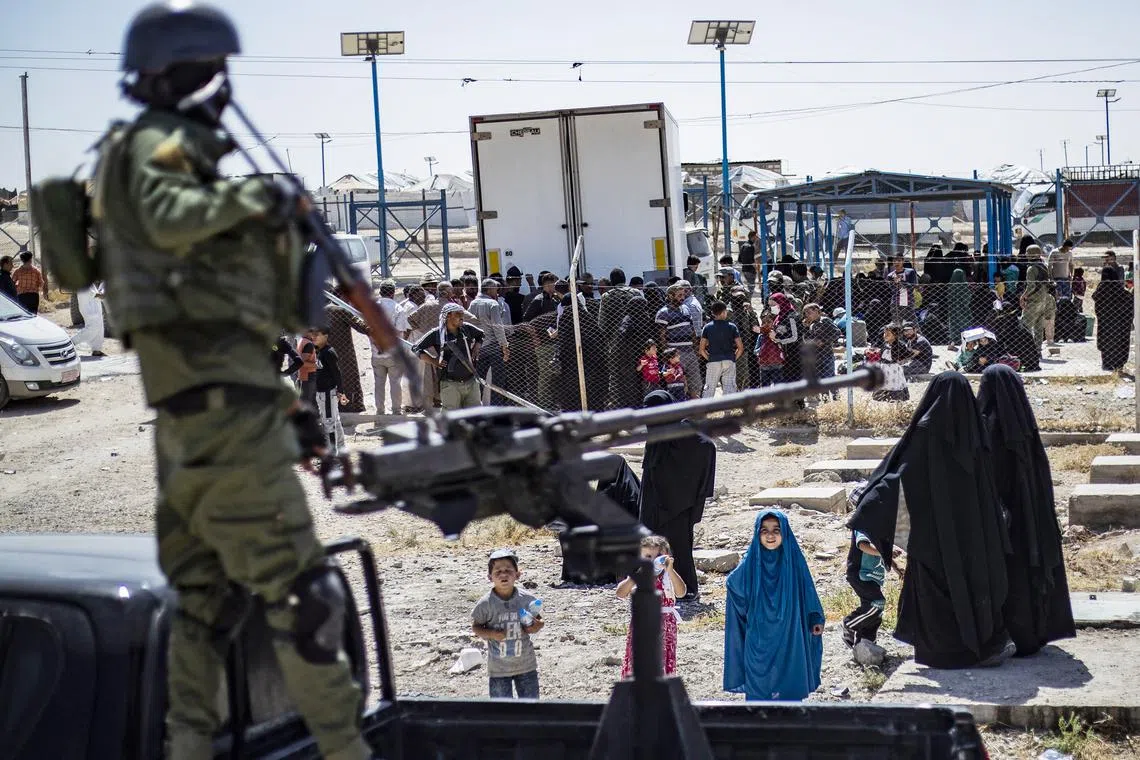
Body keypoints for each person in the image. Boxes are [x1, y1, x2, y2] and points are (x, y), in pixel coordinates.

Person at [91, 6, 369, 757]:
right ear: (190, 73)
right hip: (224, 437)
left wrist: (287, 409)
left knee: (202, 611)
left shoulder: (148, 155)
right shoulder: (156, 147)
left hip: (197, 431)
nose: (224, 87)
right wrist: (262, 197)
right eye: (216, 71)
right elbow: (170, 213)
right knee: (304, 600)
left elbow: (209, 344)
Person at [849, 373, 1014, 669]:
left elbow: (897, 476)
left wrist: (870, 510)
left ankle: (945, 654)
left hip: (934, 536)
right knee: (975, 587)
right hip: (976, 534)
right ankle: (983, 648)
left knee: (936, 590)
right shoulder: (976, 434)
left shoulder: (925, 434)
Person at [976, 365, 1076, 657]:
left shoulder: (989, 428)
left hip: (1002, 521)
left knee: (1008, 577)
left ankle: (1009, 634)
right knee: (1029, 574)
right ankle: (1033, 634)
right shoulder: (1027, 430)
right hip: (1032, 519)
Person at [724, 510, 824, 702]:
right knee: (759, 680)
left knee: (790, 676)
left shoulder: (794, 561)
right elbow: (733, 584)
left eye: (776, 530)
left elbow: (808, 590)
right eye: (764, 530)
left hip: (790, 633)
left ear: (784, 533)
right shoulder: (752, 560)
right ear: (757, 533)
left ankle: (790, 725)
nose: (770, 535)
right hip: (759, 635)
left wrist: (815, 617)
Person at [639, 390, 716, 599]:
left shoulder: (682, 430)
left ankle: (687, 589)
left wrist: (689, 487)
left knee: (680, 548)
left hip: (678, 504)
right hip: (657, 500)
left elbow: (707, 445)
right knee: (652, 544)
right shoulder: (657, 430)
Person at [471, 549, 543, 699]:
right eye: (498, 571)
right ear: (490, 577)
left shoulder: (526, 599)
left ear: (517, 574)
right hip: (498, 668)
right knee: (501, 711)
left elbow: (539, 621)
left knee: (531, 708)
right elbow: (476, 627)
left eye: (508, 570)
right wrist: (492, 634)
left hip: (526, 664)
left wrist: (535, 626)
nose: (503, 574)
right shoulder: (486, 603)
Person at [616, 535, 686, 679]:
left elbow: (681, 592)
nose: (653, 560)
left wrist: (670, 570)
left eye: (659, 555)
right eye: (648, 556)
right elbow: (620, 593)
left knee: (663, 657)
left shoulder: (668, 576)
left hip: (665, 625)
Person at [413, 302, 484, 411]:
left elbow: (481, 335)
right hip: (450, 384)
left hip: (471, 381)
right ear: (448, 316)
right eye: (458, 315)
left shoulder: (467, 329)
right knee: (451, 418)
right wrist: (433, 361)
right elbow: (416, 348)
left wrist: (477, 347)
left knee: (475, 416)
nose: (462, 318)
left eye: (462, 314)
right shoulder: (436, 334)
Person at [599, 267, 647, 408]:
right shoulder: (636, 293)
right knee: (638, 372)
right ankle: (639, 403)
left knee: (616, 375)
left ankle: (618, 405)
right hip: (637, 341)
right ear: (625, 279)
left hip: (615, 343)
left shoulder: (606, 297)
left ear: (612, 281)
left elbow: (602, 324)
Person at [841, 527, 892, 648]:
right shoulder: (864, 524)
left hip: (873, 577)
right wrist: (883, 552)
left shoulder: (881, 528)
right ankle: (850, 623)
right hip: (860, 574)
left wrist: (895, 566)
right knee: (877, 603)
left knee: (875, 614)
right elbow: (863, 545)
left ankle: (865, 644)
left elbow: (883, 553)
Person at [368, 280, 409, 415]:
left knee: (379, 383)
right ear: (393, 293)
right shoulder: (398, 308)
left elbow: (369, 330)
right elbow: (399, 332)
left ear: (380, 292)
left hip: (376, 353)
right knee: (395, 383)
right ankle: (396, 410)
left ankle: (380, 410)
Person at [655, 283, 701, 400]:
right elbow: (662, 336)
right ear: (670, 296)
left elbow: (691, 331)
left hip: (690, 352)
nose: (682, 297)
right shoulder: (663, 313)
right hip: (675, 355)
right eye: (679, 295)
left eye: (683, 294)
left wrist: (696, 350)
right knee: (679, 386)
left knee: (695, 384)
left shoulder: (686, 309)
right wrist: (668, 356)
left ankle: (697, 413)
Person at [312, 327, 347, 455]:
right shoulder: (317, 350)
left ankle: (333, 454)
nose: (314, 337)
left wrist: (341, 391)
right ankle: (342, 448)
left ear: (326, 336)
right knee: (334, 420)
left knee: (329, 423)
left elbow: (337, 373)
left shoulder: (328, 352)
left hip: (327, 393)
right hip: (321, 392)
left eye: (318, 335)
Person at [1092, 265, 1134, 372]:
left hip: (1105, 323)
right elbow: (1129, 300)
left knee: (1106, 342)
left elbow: (1095, 298)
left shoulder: (1102, 289)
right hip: (1119, 324)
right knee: (1119, 342)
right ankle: (1118, 363)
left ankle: (1107, 363)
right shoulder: (1117, 288)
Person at [699, 301, 743, 398]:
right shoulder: (732, 326)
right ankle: (728, 412)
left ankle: (705, 410)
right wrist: (733, 358)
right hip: (729, 359)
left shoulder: (707, 327)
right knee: (729, 387)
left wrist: (709, 358)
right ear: (723, 312)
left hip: (713, 360)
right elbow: (740, 348)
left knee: (709, 387)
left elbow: (701, 349)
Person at [768, 292, 804, 387]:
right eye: (770, 305)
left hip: (795, 353)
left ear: (781, 303)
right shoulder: (779, 318)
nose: (772, 307)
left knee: (794, 379)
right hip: (784, 353)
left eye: (773, 305)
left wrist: (777, 339)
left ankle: (797, 401)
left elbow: (795, 337)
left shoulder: (792, 317)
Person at [1020, 245, 1052, 348]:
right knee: (1039, 328)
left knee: (1025, 326)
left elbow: (1031, 286)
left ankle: (1027, 348)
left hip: (1033, 301)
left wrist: (1024, 296)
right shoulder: (1043, 266)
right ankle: (1037, 349)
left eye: (1027, 253)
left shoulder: (1031, 268)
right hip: (1043, 300)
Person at [871, 324, 910, 401]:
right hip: (884, 367)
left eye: (888, 334)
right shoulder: (885, 344)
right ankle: (882, 396)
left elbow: (906, 355)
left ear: (895, 335)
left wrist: (901, 360)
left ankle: (895, 397)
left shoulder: (899, 345)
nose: (885, 335)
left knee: (894, 382)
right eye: (884, 333)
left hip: (894, 368)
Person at [802, 303, 838, 382]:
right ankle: (825, 394)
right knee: (820, 376)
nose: (807, 315)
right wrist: (806, 328)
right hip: (816, 354)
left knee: (829, 375)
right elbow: (807, 338)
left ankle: (835, 394)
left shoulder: (824, 320)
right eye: (805, 313)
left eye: (809, 312)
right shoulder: (812, 324)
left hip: (826, 353)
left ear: (817, 311)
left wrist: (824, 341)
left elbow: (837, 333)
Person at [72, 283, 107, 357]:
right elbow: (96, 295)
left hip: (94, 309)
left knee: (99, 329)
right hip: (90, 311)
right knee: (92, 328)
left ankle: (96, 350)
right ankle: (72, 342)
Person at [754, 311, 784, 387]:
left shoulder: (778, 335)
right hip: (764, 364)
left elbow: (782, 347)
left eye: (769, 322)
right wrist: (762, 350)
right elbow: (755, 350)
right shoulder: (761, 336)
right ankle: (766, 398)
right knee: (765, 385)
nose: (766, 324)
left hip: (777, 363)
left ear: (774, 323)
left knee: (778, 384)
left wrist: (775, 338)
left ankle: (778, 398)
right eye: (763, 322)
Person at [885, 255, 917, 324]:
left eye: (899, 261)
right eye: (895, 261)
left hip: (908, 303)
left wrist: (901, 282)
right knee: (897, 326)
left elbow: (912, 287)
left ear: (903, 261)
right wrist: (895, 283)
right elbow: (892, 290)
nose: (897, 263)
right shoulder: (890, 275)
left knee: (912, 325)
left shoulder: (910, 272)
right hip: (896, 304)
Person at [946, 268, 972, 347]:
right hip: (963, 310)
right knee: (965, 326)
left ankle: (952, 343)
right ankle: (966, 344)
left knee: (953, 326)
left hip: (953, 310)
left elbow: (948, 298)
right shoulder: (964, 286)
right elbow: (967, 299)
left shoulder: (950, 286)